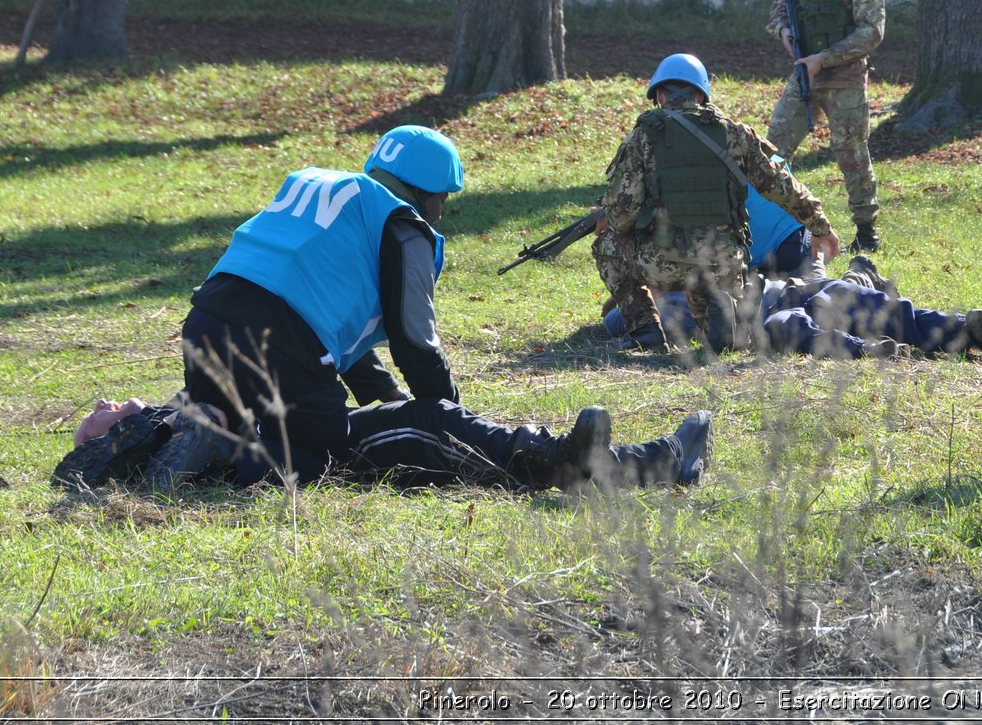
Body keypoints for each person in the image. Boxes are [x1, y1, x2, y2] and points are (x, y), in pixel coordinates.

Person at [155, 125, 467, 487]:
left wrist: (387, 392)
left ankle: (150, 441)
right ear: (424, 192)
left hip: (207, 318)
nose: (440, 213)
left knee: (222, 421)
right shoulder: (402, 225)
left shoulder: (333, 192)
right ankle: (220, 460)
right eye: (442, 199)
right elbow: (416, 343)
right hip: (282, 340)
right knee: (328, 455)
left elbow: (325, 316)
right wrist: (452, 415)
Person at [593, 53, 841, 352]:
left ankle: (645, 329)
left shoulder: (643, 137)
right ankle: (723, 325)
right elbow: (782, 187)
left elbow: (621, 216)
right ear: (701, 93)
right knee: (724, 333)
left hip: (664, 262)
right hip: (722, 262)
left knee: (606, 245)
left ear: (659, 94)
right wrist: (820, 226)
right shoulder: (734, 133)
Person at [53, 394, 713, 493]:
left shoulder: (174, 421)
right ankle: (555, 460)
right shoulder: (164, 449)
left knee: (433, 419)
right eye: (99, 416)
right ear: (109, 443)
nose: (108, 403)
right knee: (430, 424)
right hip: (330, 453)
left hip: (317, 429)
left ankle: (659, 460)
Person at [601, 256, 982, 362]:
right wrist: (633, 301)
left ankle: (964, 330)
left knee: (886, 308)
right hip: (774, 318)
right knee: (790, 328)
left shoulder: (707, 266)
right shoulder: (661, 310)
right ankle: (868, 349)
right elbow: (619, 319)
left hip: (802, 289)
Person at [767, 0, 886, 254]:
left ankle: (866, 230)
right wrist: (785, 34)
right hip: (806, 75)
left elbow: (873, 31)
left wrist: (826, 57)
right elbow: (776, 13)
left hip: (845, 79)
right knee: (774, 149)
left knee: (851, 152)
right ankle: (772, 222)